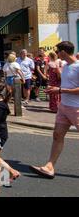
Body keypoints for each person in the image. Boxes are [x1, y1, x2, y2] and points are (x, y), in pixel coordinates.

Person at [30, 41, 79, 179]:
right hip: (64, 107)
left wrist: (61, 90)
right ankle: (49, 167)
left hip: (76, 108)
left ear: (63, 52)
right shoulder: (65, 66)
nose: (56, 54)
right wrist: (54, 90)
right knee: (57, 135)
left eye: (58, 51)